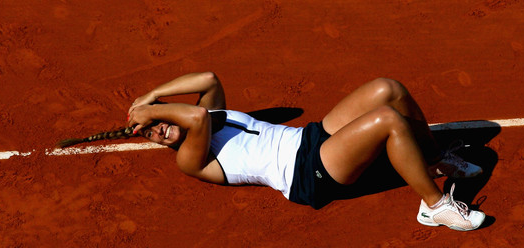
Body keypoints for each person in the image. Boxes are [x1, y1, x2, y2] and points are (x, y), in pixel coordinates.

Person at [126, 71, 485, 231]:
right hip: (305, 175)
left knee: (387, 89)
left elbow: (208, 79)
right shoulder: (190, 158)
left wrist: (150, 97)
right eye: (155, 135)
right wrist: (151, 113)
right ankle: (435, 207)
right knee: (387, 120)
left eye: (157, 122)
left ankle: (432, 160)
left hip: (309, 139)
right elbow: (196, 116)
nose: (159, 129)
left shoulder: (210, 112)